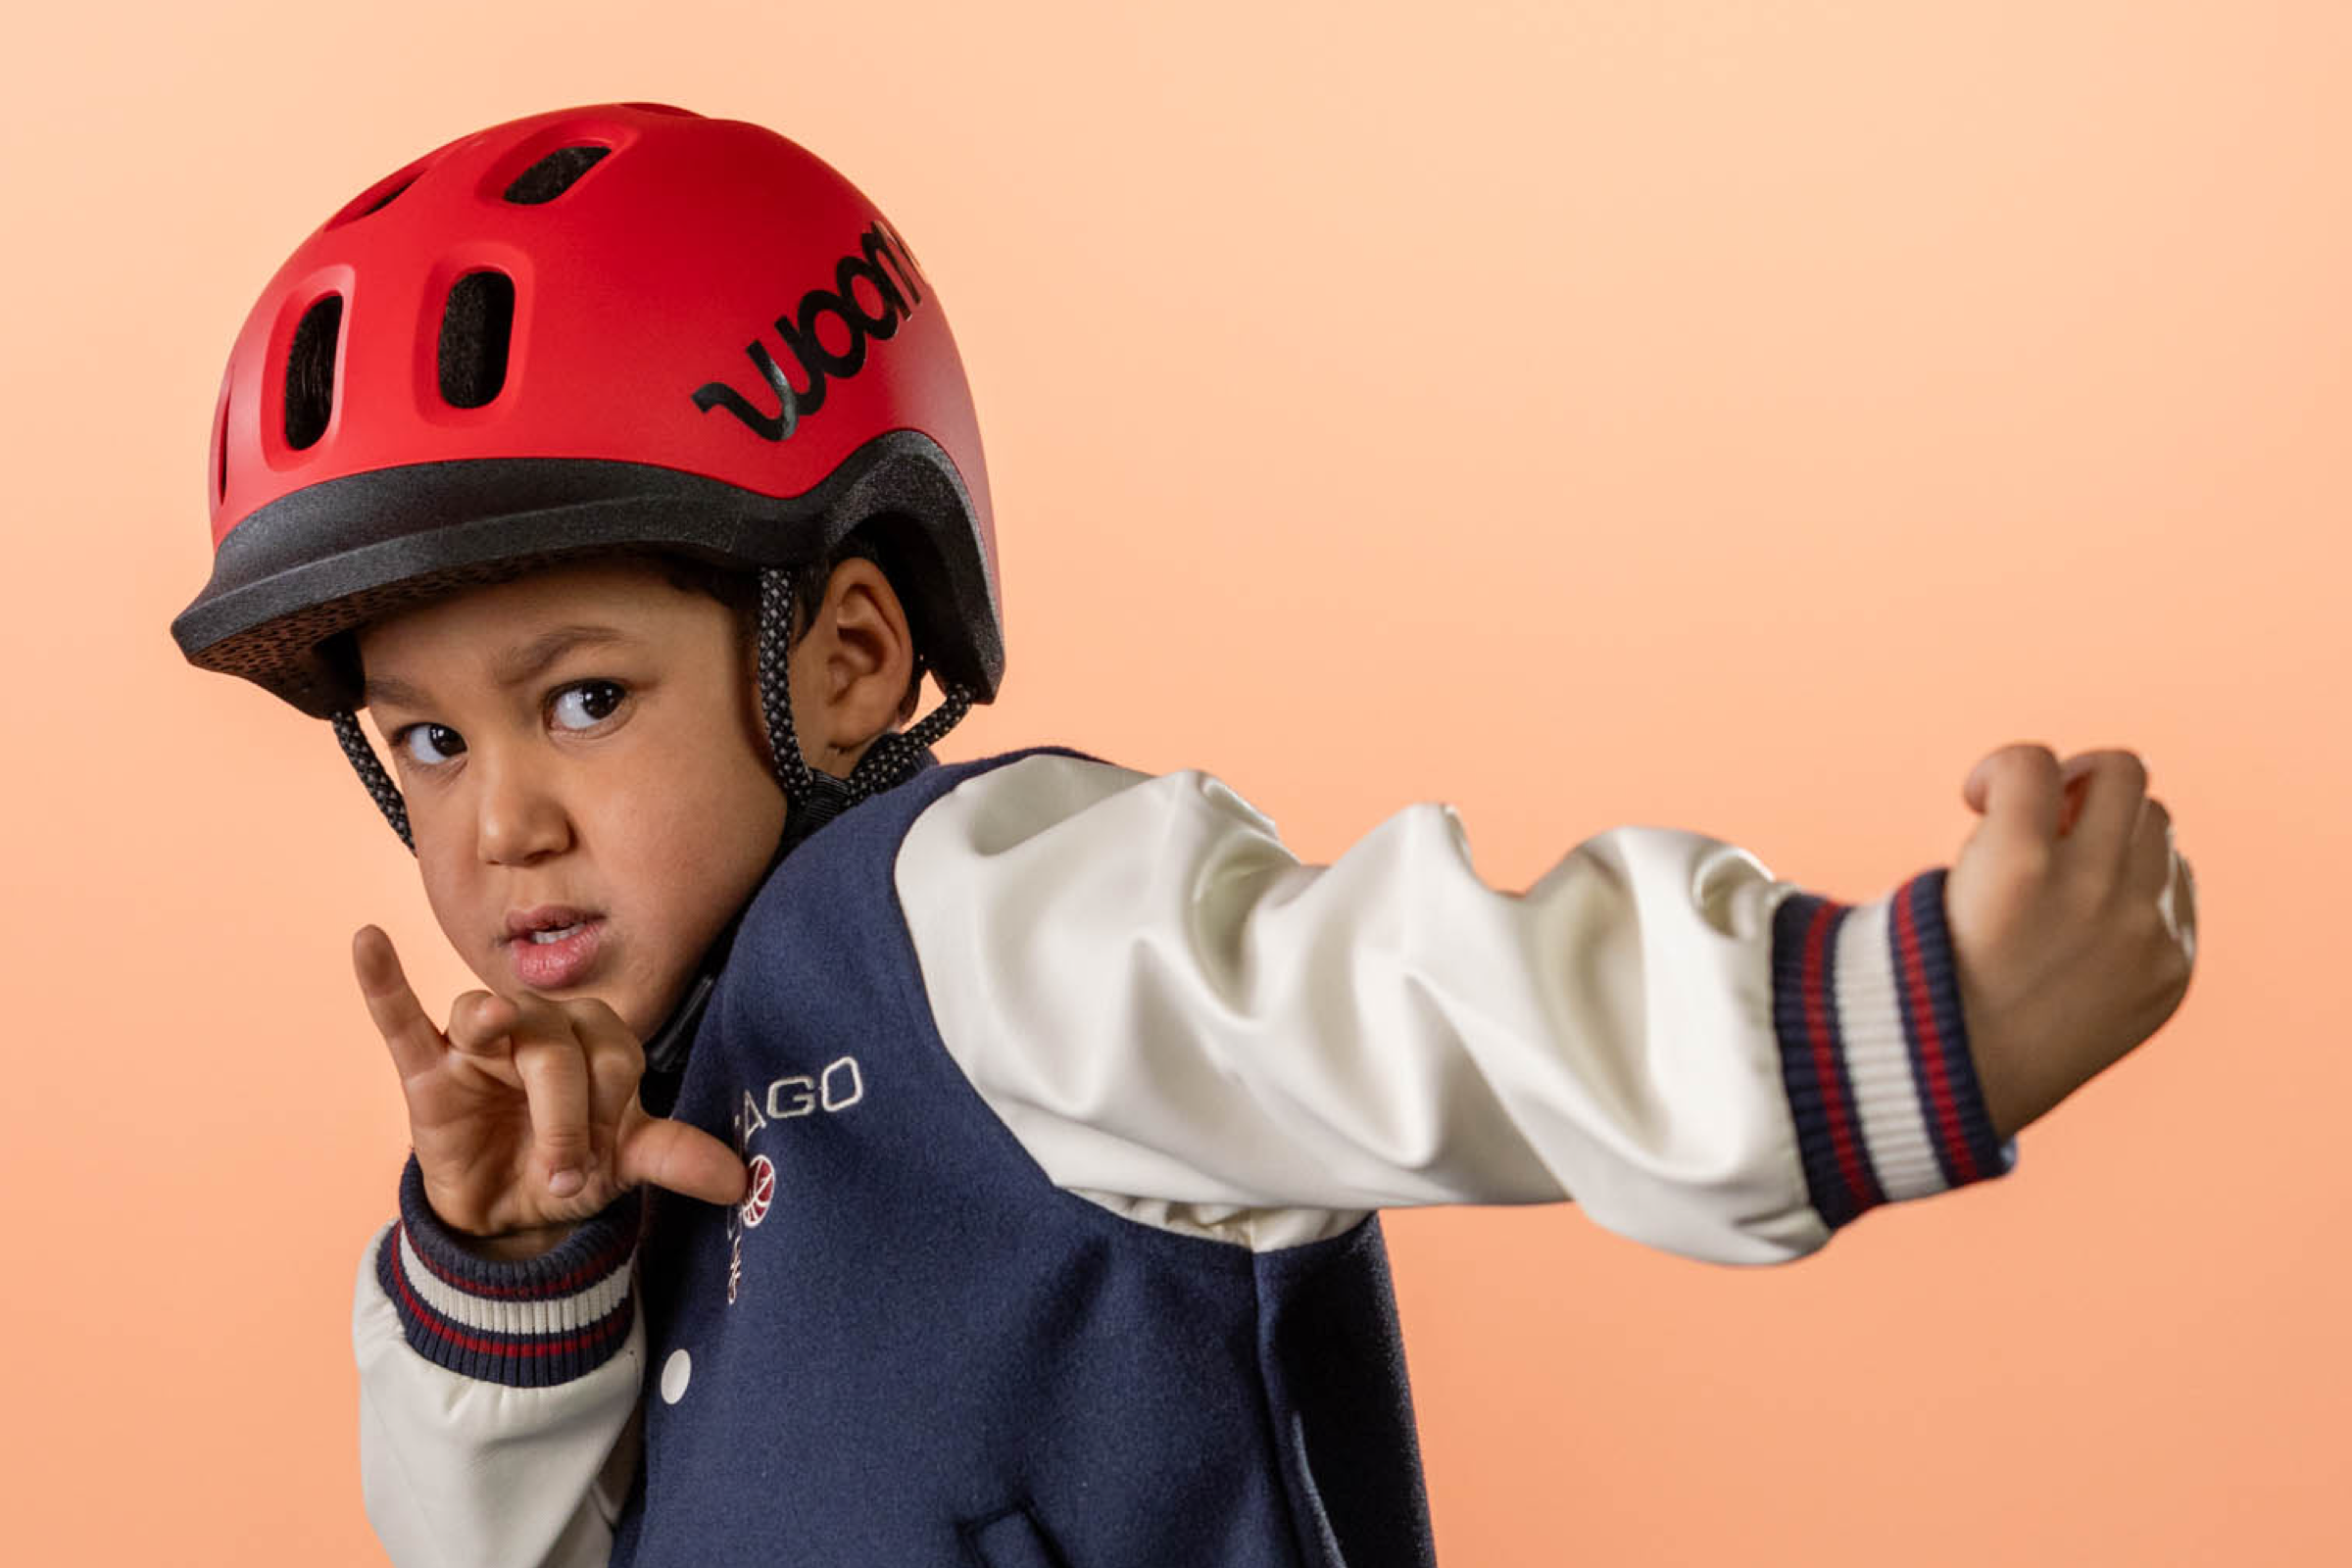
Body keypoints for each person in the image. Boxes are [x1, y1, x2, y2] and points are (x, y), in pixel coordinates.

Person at [170, 102, 2198, 1568]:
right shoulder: (637, 1100)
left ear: (852, 652)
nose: (496, 818)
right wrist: (520, 1273)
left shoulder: (986, 908)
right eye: (423, 739)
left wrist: (1896, 1019)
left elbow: (1407, 996)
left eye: (584, 699)